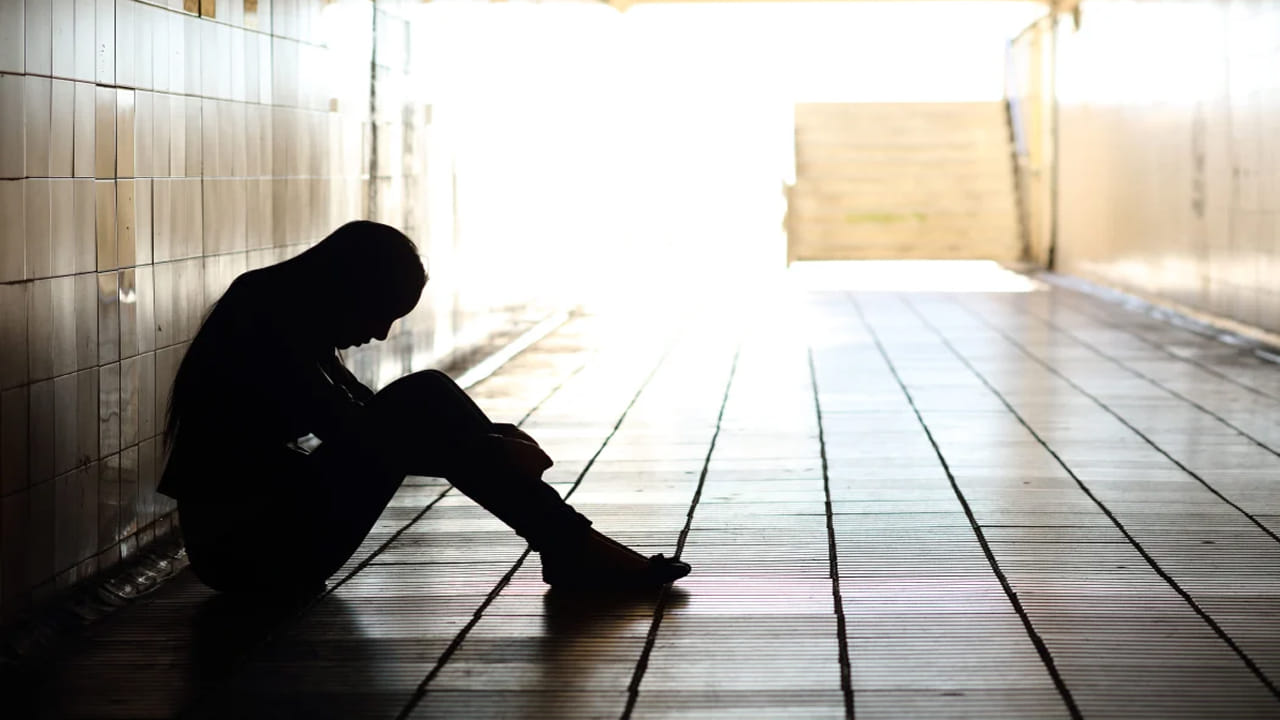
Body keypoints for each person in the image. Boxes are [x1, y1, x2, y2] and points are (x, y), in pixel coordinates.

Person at [160, 220, 690, 594]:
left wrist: (492, 437)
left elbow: (368, 414)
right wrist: (491, 450)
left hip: (262, 538)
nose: (380, 334)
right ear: (349, 288)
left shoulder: (281, 306)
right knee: (422, 394)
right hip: (247, 553)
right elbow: (358, 433)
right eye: (382, 313)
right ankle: (571, 548)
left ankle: (569, 547)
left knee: (426, 393)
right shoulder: (266, 319)